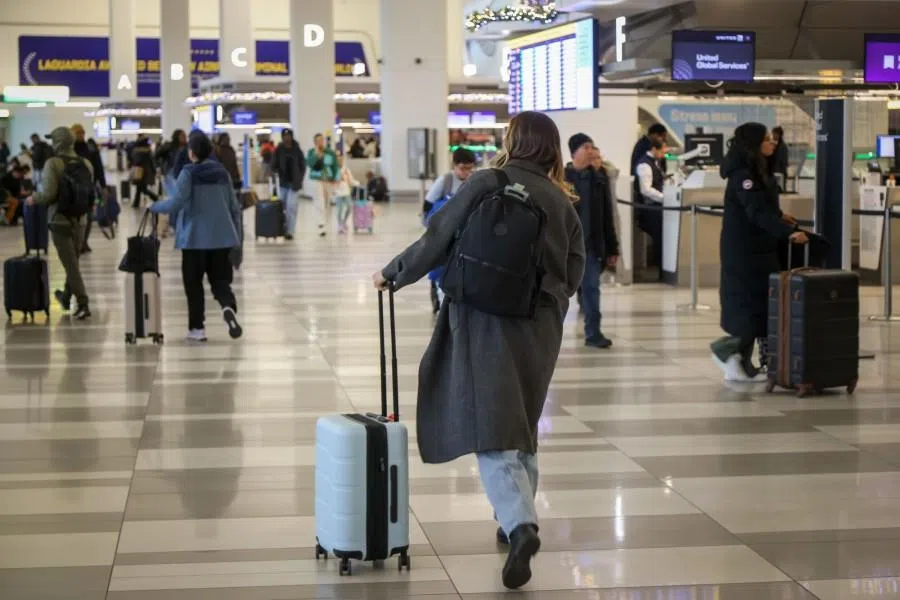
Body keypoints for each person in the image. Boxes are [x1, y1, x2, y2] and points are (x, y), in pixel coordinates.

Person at [372, 111, 585, 590]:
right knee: (522, 421)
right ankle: (513, 516)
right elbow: (574, 274)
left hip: (484, 318)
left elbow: (438, 235)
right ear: (552, 149)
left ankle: (520, 524)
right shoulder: (563, 201)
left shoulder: (487, 181)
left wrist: (393, 273)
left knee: (491, 424)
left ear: (512, 141)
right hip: (542, 323)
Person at [712, 122, 805, 382]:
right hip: (744, 250)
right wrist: (787, 233)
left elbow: (763, 207)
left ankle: (741, 364)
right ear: (753, 144)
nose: (772, 143)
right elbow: (755, 212)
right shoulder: (743, 176)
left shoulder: (755, 171)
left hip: (760, 248)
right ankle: (725, 350)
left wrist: (780, 216)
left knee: (757, 304)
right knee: (747, 305)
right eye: (766, 139)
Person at [149, 131, 243, 343]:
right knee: (220, 281)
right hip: (222, 238)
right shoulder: (223, 173)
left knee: (193, 283)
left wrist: (154, 206)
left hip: (193, 239)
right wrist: (237, 239)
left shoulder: (188, 173)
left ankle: (197, 328)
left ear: (192, 153)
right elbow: (234, 208)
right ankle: (227, 306)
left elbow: (175, 203)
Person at [26, 127, 93, 319]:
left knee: (71, 265)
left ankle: (83, 303)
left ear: (58, 143)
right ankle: (65, 296)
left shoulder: (53, 164)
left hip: (60, 220)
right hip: (81, 220)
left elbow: (48, 195)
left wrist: (34, 198)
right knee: (73, 262)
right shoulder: (86, 164)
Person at [565, 133, 620, 349]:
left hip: (591, 246)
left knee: (591, 289)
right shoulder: (562, 176)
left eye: (592, 146)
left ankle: (593, 332)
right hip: (566, 245)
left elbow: (607, 214)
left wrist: (612, 247)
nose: (590, 150)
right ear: (573, 152)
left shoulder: (599, 178)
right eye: (585, 147)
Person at [422, 147, 478, 312]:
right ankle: (437, 292)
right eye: (463, 168)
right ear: (454, 166)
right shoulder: (445, 181)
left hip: (466, 232)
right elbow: (428, 204)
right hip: (444, 232)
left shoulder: (476, 180)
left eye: (470, 168)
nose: (466, 172)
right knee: (440, 264)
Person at [633, 138, 668, 279]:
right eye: (662, 149)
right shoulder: (644, 165)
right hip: (651, 209)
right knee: (660, 239)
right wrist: (664, 198)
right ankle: (661, 271)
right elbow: (646, 189)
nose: (664, 152)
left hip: (657, 206)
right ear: (654, 148)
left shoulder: (654, 163)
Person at [72, 124, 106, 254]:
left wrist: (103, 186)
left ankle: (84, 241)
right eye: (77, 133)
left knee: (88, 216)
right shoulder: (69, 150)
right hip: (72, 189)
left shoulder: (90, 149)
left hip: (88, 188)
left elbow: (99, 168)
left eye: (82, 133)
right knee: (75, 217)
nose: (80, 135)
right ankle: (77, 242)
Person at [272, 129, 306, 240]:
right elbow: (273, 164)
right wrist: (275, 172)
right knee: (283, 207)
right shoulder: (279, 150)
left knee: (292, 207)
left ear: (291, 137)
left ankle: (290, 231)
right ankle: (282, 228)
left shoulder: (297, 149)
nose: (286, 138)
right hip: (283, 183)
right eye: (284, 136)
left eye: (288, 136)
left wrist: (300, 179)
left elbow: (303, 166)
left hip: (294, 184)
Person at [306, 133, 339, 235]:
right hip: (317, 179)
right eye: (318, 140)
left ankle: (325, 223)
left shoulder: (330, 153)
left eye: (321, 140)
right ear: (315, 142)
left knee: (327, 202)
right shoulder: (311, 152)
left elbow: (335, 166)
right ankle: (321, 223)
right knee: (319, 201)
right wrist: (316, 155)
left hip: (328, 180)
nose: (320, 142)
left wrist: (335, 177)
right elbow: (309, 163)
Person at [130, 136, 158, 208]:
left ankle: (155, 198)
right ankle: (136, 203)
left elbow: (134, 161)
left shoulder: (136, 151)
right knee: (140, 188)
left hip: (138, 171)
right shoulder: (148, 151)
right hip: (146, 172)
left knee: (141, 188)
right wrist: (154, 170)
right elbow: (152, 162)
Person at [333, 154, 358, 234]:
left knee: (350, 207)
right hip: (338, 193)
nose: (340, 161)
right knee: (339, 210)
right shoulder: (334, 170)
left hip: (346, 192)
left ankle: (344, 222)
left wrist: (356, 183)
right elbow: (332, 181)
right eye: (338, 160)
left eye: (342, 160)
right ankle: (340, 225)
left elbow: (351, 180)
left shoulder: (346, 170)